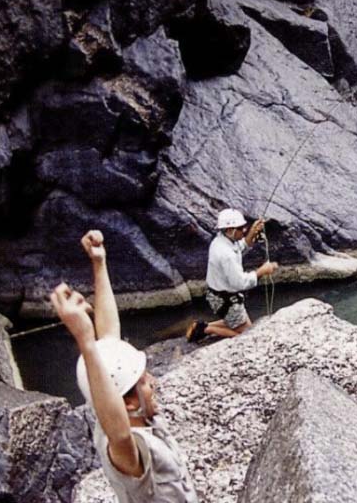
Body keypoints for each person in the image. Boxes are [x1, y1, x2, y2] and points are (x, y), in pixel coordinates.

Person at [50, 230, 198, 502]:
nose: (153, 382)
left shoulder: (120, 410)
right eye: (143, 381)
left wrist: (99, 263)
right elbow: (118, 433)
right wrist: (85, 341)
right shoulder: (127, 449)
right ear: (128, 403)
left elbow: (109, 337)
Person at [187, 208, 277, 342]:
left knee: (240, 323)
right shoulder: (226, 254)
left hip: (220, 296)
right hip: (226, 300)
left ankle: (201, 326)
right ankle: (206, 330)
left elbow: (240, 247)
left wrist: (252, 233)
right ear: (230, 230)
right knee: (247, 335)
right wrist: (262, 271)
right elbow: (240, 283)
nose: (244, 230)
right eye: (241, 228)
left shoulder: (221, 241)